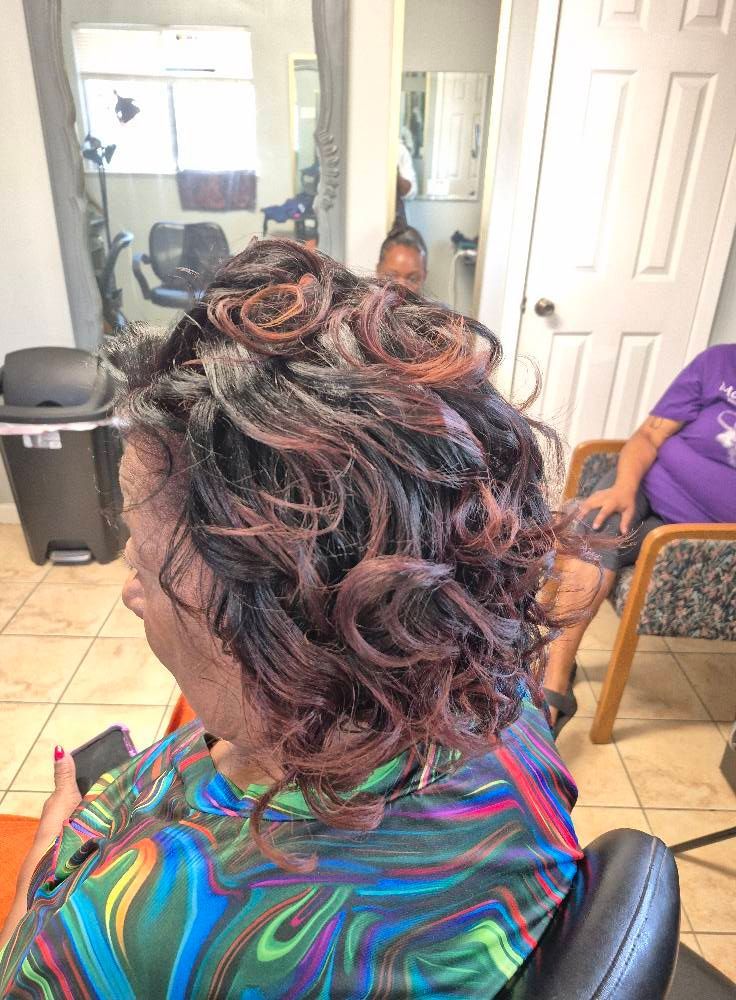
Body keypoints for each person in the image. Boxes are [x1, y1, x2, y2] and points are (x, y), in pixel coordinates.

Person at [0, 239, 587, 998]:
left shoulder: (136, 936)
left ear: (280, 626)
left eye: (143, 563)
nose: (130, 592)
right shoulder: (509, 712)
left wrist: (33, 901)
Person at [543, 343, 736, 734]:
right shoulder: (720, 361)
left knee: (574, 523)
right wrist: (625, 488)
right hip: (643, 490)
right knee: (595, 518)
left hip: (701, 539)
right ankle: (554, 682)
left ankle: (547, 684)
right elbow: (649, 434)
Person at [376, 223, 428, 295]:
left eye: (412, 279)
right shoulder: (360, 304)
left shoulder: (436, 306)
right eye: (390, 277)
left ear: (424, 277)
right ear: (378, 270)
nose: (401, 289)